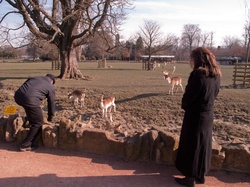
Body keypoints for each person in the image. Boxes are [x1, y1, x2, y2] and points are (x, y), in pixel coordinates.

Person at [174, 47, 222, 187]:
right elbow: (215, 94)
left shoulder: (198, 75)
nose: (191, 61)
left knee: (192, 144)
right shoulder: (216, 75)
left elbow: (189, 96)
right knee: (203, 144)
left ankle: (190, 177)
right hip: (208, 114)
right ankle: (200, 175)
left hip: (195, 115)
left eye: (193, 58)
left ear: (198, 59)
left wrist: (185, 104)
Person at [14, 74, 56, 151]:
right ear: (52, 81)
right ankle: (25, 145)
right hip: (30, 100)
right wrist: (50, 116)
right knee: (38, 122)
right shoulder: (50, 86)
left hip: (18, 96)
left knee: (31, 110)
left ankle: (30, 120)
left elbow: (27, 88)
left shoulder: (35, 77)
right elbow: (51, 103)